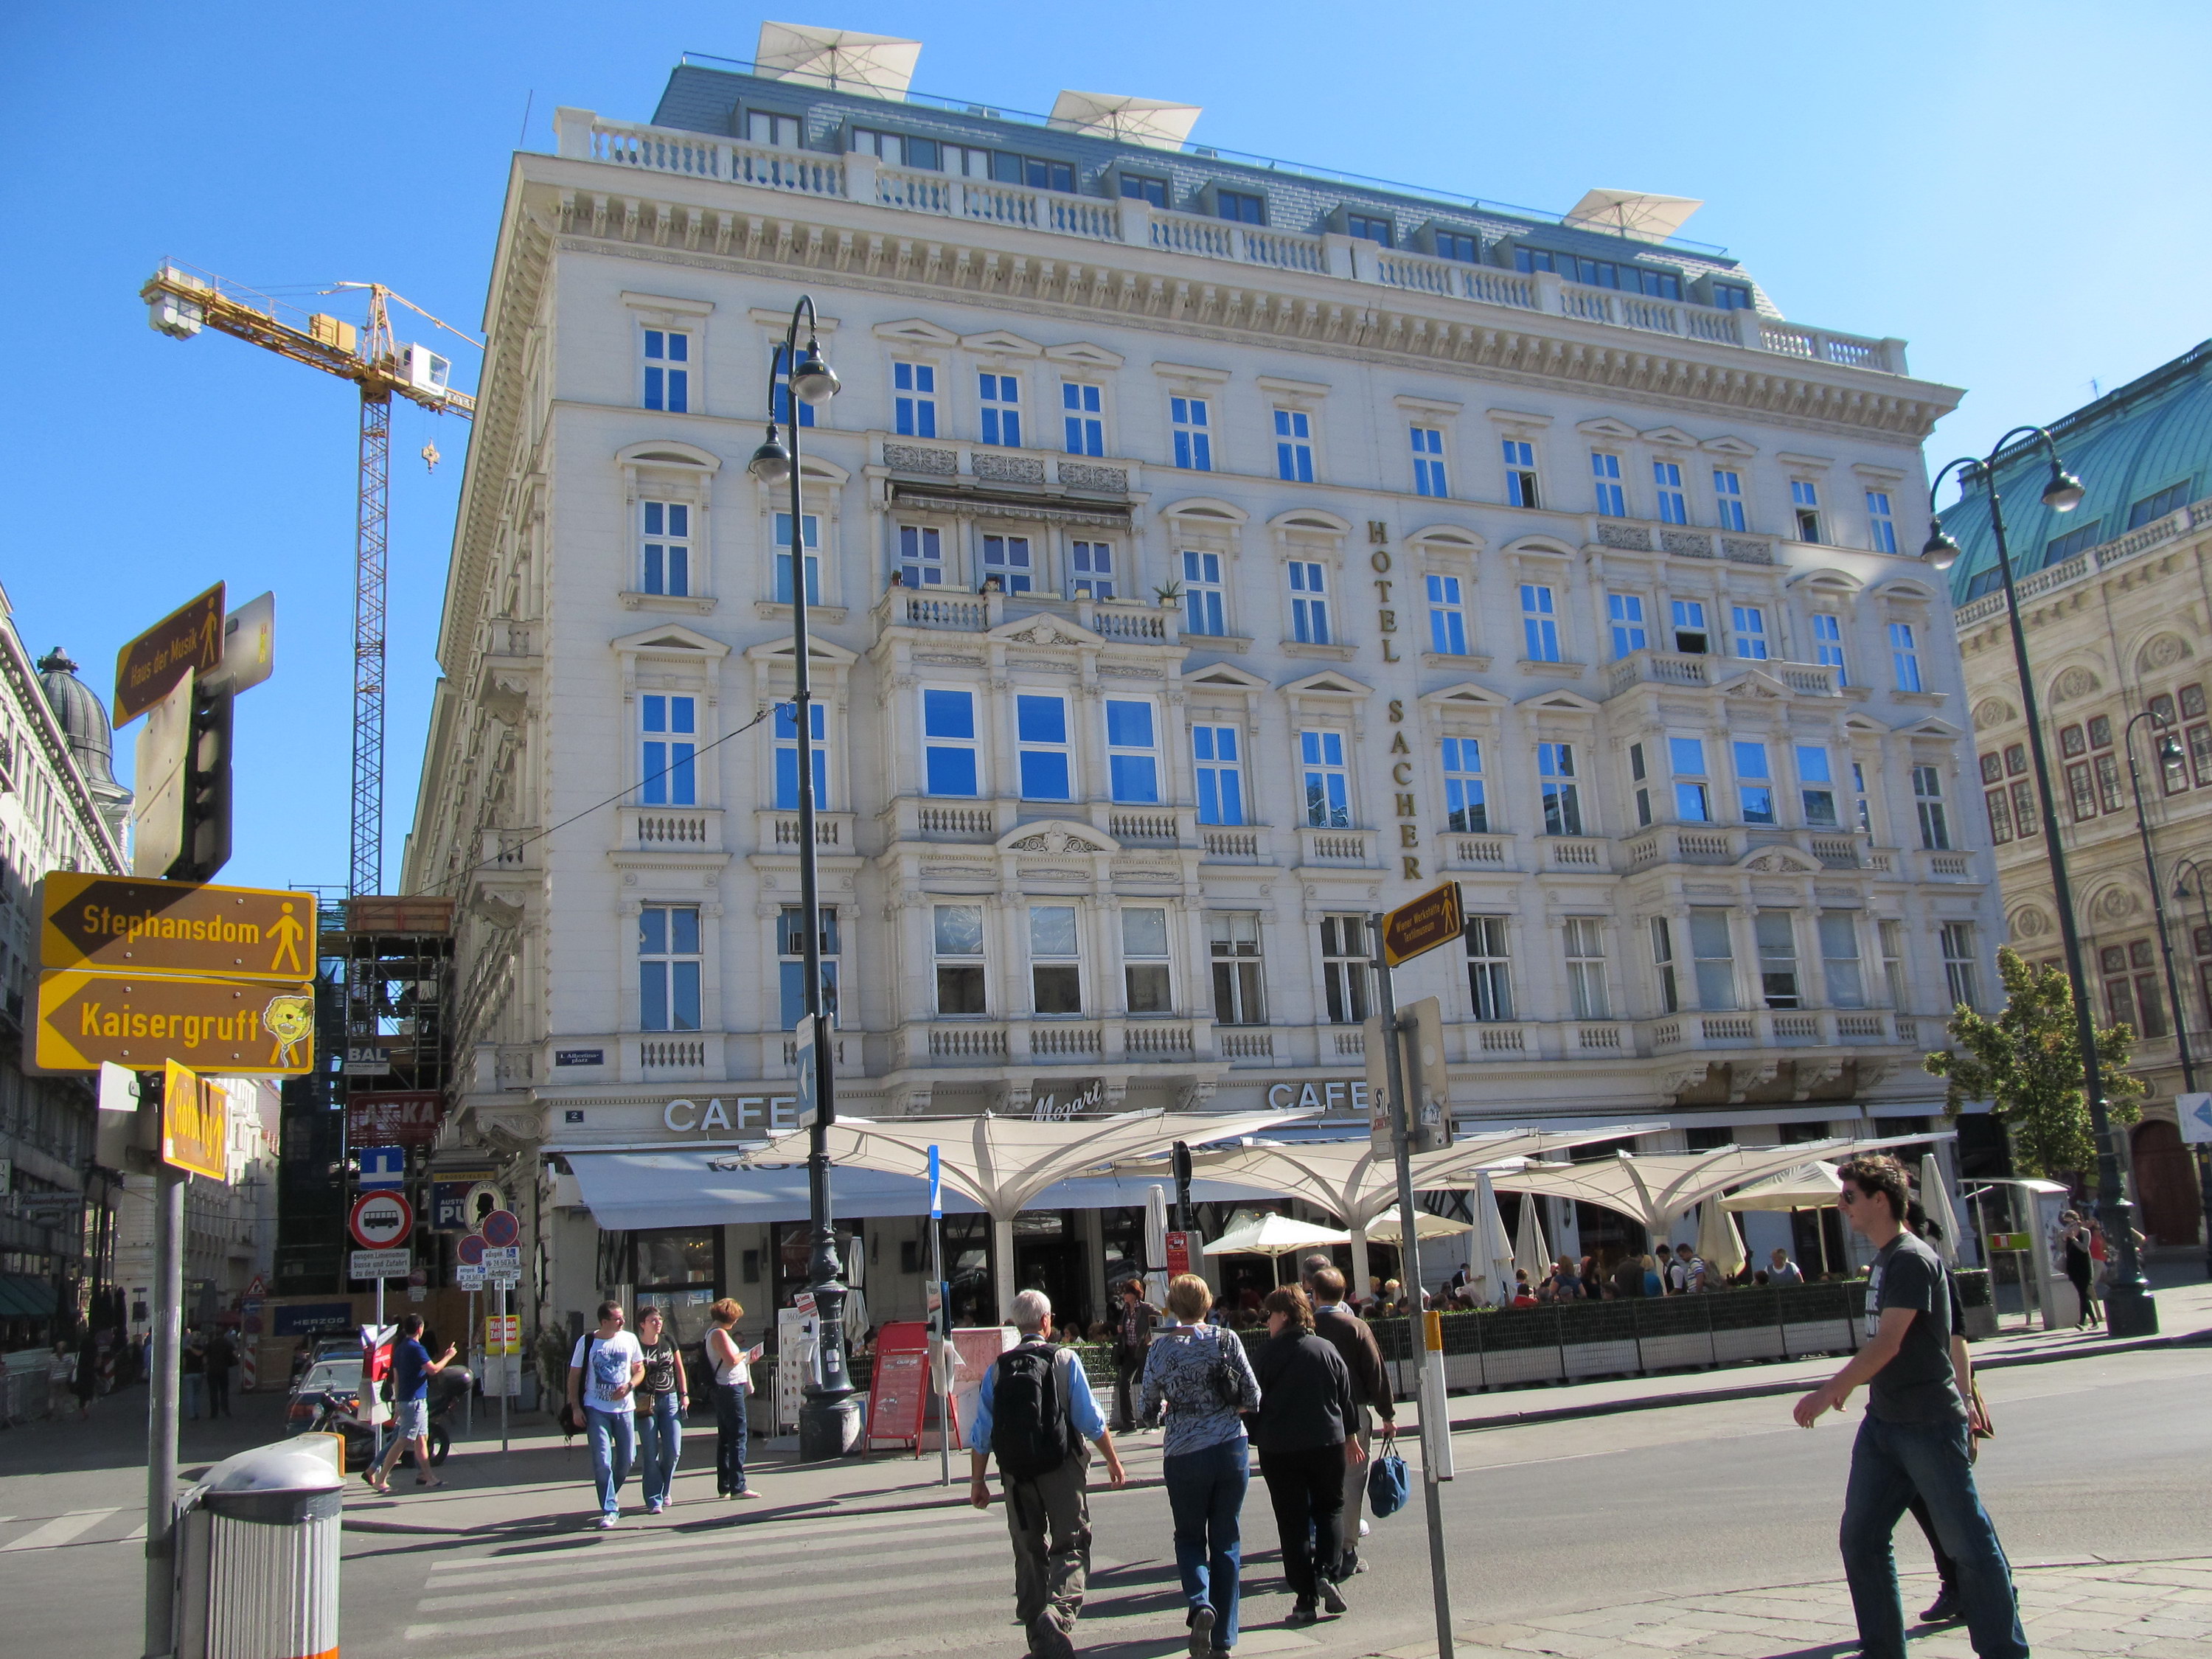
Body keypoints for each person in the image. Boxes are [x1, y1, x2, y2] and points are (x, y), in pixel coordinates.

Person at [1792, 1155, 2025, 1659]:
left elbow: (1889, 1343)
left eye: (1849, 1195)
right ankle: (1882, 1650)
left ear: (1880, 1199)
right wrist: (1856, 1388)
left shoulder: (1912, 1258)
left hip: (1927, 1423)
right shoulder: (1886, 1259)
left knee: (1968, 1545)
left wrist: (1831, 1389)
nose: (1842, 1205)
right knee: (1861, 1539)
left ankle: (2005, 1651)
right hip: (1886, 1425)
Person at [969, 1288, 1127, 1659]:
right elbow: (1090, 1420)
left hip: (1016, 1475)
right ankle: (1056, 1617)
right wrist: (1113, 1460)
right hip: (1061, 1468)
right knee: (1071, 1544)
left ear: (1015, 1324)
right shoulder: (1064, 1361)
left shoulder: (998, 1370)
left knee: (1028, 1551)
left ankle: (1037, 1639)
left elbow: (981, 1434)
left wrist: (978, 1482)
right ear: (1046, 1321)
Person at [1141, 1273, 1260, 1658]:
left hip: (1183, 1451)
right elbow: (1254, 1396)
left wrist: (1166, 1409)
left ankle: (1199, 1602)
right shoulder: (1227, 1339)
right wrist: (1226, 1408)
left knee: (1189, 1536)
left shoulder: (1160, 1349)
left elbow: (1147, 1409)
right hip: (1229, 1446)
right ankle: (1224, 1638)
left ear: (1173, 1307)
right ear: (1208, 1303)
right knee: (1226, 1539)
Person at [1248, 1285, 1365, 1628]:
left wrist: (1257, 1435)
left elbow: (1252, 1401)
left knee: (1292, 1519)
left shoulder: (1265, 1355)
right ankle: (1326, 1572)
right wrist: (1350, 1435)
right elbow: (1346, 1396)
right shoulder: (1325, 1349)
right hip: (1326, 1443)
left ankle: (1304, 1597)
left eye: (1269, 1315)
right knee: (1330, 1508)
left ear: (1283, 1315)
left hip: (1280, 1448)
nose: (1266, 1321)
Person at [1303, 1262, 1393, 1577]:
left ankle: (1321, 1544)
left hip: (1312, 1416)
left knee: (1318, 1484)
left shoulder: (1305, 1328)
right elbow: (1376, 1372)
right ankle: (1347, 1548)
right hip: (1354, 1413)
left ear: (1313, 1294)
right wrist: (1388, 1414)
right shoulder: (1356, 1327)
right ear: (1343, 1294)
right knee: (1352, 1483)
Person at [567, 1301, 646, 1528]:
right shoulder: (587, 1342)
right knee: (602, 1461)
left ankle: (610, 1491)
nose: (622, 1322)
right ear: (604, 1322)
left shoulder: (629, 1339)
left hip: (625, 1409)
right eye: (617, 1319)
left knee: (627, 1459)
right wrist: (576, 1407)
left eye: (622, 1318)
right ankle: (610, 1508)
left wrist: (630, 1385)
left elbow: (639, 1369)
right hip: (596, 1408)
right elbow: (574, 1376)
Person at [366, 1313, 456, 1493]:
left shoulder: (400, 1348)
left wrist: (398, 1401)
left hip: (410, 1400)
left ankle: (427, 1476)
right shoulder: (416, 1348)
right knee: (402, 1441)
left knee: (422, 1439)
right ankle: (381, 1479)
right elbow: (433, 1370)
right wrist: (449, 1356)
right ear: (419, 1329)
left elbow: (397, 1376)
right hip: (415, 1401)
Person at [632, 1305, 689, 1514]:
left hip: (671, 1398)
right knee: (650, 1452)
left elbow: (679, 1368)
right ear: (642, 1324)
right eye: (653, 1320)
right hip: (645, 1401)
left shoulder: (668, 1341)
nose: (658, 1323)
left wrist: (684, 1394)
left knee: (674, 1450)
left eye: (659, 1320)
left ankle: (665, 1488)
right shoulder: (636, 1346)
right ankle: (653, 1498)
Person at [704, 1298, 757, 1499]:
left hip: (724, 1387)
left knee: (726, 1437)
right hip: (728, 1387)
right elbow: (730, 1359)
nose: (735, 1323)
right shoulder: (719, 1334)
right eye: (734, 1319)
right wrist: (744, 1355)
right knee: (737, 1435)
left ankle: (725, 1485)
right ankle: (738, 1485)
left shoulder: (713, 1332)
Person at [1110, 1278, 1157, 1432]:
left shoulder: (1145, 1308)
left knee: (1148, 1385)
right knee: (1124, 1383)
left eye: (1127, 1292)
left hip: (1143, 1350)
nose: (1124, 1295)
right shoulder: (1125, 1310)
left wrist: (1150, 1335)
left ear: (1134, 1294)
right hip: (1129, 1352)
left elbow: (1159, 1318)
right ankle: (1129, 1423)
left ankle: (1152, 1422)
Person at [2059, 1211, 2096, 1328]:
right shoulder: (2068, 1235)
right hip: (2073, 1266)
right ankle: (2090, 1321)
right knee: (2082, 1294)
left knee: (2083, 1293)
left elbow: (2084, 1248)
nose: (2071, 1227)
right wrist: (2064, 1239)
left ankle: (2083, 1321)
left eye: (2072, 1223)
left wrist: (2074, 1239)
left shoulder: (2085, 1232)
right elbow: (2061, 1250)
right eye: (2068, 1224)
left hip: (2083, 1265)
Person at [204, 1328, 236, 1419]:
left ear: (215, 1335)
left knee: (213, 1392)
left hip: (212, 1370)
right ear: (223, 1335)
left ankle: (214, 1412)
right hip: (224, 1369)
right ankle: (225, 1409)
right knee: (224, 1391)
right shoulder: (227, 1343)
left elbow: (204, 1356)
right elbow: (235, 1354)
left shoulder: (210, 1344)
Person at [180, 1326, 206, 1420]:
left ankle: (192, 1414)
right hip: (199, 1373)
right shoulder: (202, 1349)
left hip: (188, 1373)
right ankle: (197, 1412)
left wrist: (182, 1372)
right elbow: (204, 1361)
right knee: (197, 1394)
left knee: (190, 1395)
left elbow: (184, 1363)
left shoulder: (187, 1350)